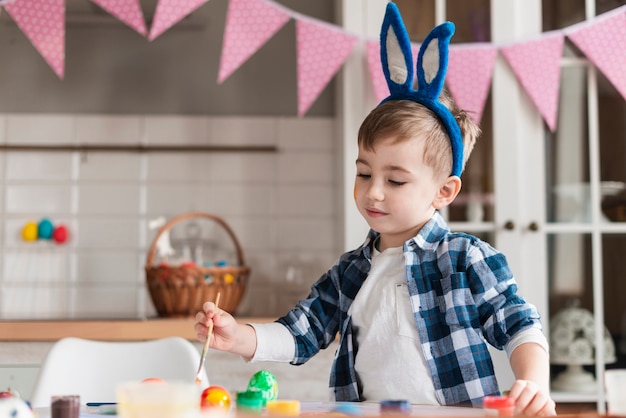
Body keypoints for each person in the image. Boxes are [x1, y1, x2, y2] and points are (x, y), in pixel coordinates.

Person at [195, 3, 555, 416]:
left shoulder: (465, 258)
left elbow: (519, 323)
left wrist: (533, 383)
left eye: (396, 180)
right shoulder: (351, 271)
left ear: (444, 191)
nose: (374, 192)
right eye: (364, 173)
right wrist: (237, 336)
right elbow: (301, 333)